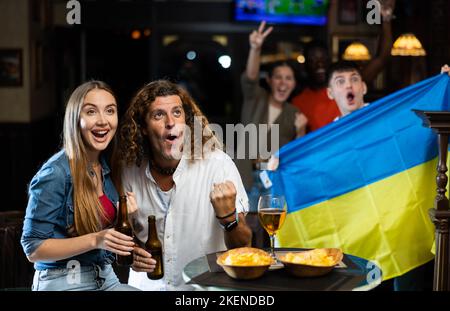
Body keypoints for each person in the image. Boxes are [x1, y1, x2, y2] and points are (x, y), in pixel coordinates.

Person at [118, 80, 252, 290]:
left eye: (177, 113)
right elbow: (116, 238)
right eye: (158, 115)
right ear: (143, 127)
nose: (170, 122)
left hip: (201, 291)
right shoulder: (129, 171)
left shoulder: (218, 165)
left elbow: (243, 245)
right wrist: (131, 251)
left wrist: (229, 219)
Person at [21, 81, 139, 291]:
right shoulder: (55, 173)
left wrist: (123, 217)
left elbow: (101, 238)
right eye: (91, 111)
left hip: (105, 276)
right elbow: (33, 248)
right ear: (75, 119)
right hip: (63, 281)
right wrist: (96, 239)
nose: (103, 121)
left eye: (109, 111)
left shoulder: (105, 166)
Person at [292, 0, 396, 132]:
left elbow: (382, 58)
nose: (320, 64)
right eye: (313, 60)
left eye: (323, 58)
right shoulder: (298, 102)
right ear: (305, 65)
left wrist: (386, 19)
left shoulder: (346, 86)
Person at [238, 20, 308, 197]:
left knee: (271, 224)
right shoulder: (255, 97)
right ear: (269, 80)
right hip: (243, 177)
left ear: (294, 84)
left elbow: (296, 156)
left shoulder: (294, 113)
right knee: (243, 223)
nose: (283, 83)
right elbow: (251, 77)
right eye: (278, 77)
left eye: (288, 78)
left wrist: (301, 131)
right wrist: (255, 48)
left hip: (273, 181)